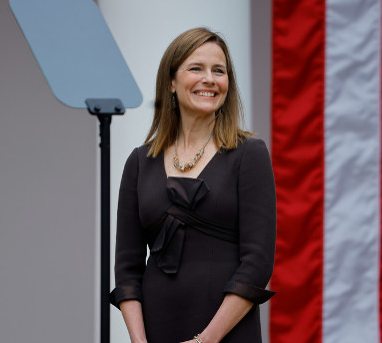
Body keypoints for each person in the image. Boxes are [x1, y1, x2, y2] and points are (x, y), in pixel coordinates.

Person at [110, 27, 277, 343]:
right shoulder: (139, 161)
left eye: (219, 71)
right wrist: (139, 341)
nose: (210, 79)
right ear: (171, 82)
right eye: (196, 68)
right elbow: (127, 270)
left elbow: (256, 264)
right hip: (155, 330)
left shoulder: (249, 154)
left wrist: (206, 340)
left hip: (226, 335)